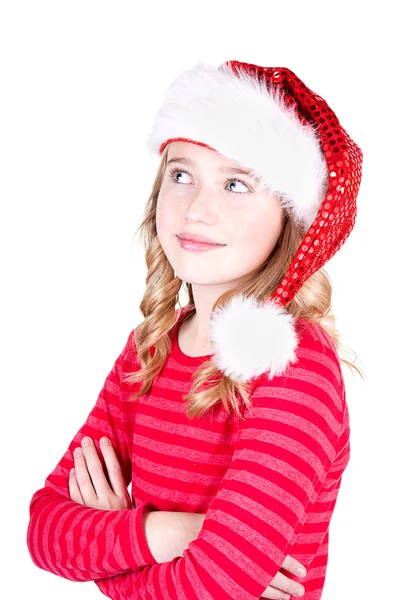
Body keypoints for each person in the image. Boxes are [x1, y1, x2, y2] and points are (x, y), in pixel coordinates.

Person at [26, 60, 364, 600]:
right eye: (182, 175)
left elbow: (212, 587)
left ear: (289, 221)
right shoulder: (149, 350)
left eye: (236, 184)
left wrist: (111, 560)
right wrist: (165, 534)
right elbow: (44, 531)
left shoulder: (293, 368)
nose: (197, 209)